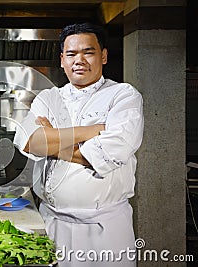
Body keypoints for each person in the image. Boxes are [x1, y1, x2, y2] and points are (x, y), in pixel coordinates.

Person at [13, 22, 144, 266]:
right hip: (52, 224)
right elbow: (31, 142)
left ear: (103, 56)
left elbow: (112, 151)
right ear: (62, 60)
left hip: (104, 229)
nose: (79, 60)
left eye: (89, 52)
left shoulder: (124, 95)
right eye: (71, 54)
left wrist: (53, 138)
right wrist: (92, 131)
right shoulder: (48, 97)